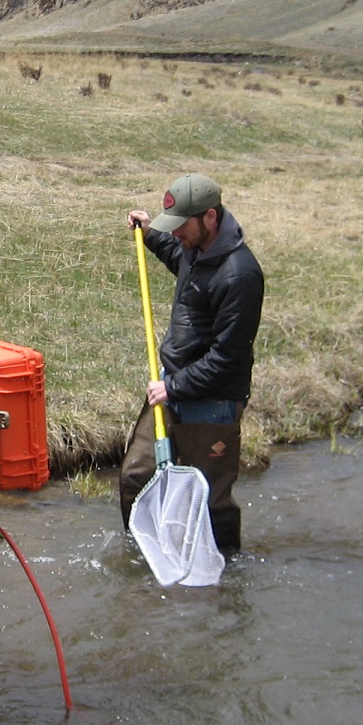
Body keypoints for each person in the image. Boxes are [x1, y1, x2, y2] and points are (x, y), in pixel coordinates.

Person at [120, 173, 265, 555]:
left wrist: (173, 387)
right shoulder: (194, 247)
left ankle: (226, 581)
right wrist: (151, 234)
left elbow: (227, 358)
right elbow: (178, 257)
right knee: (137, 477)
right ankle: (145, 560)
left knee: (211, 501)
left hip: (212, 402)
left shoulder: (240, 275)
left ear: (211, 218)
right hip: (171, 387)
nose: (176, 235)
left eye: (180, 226)